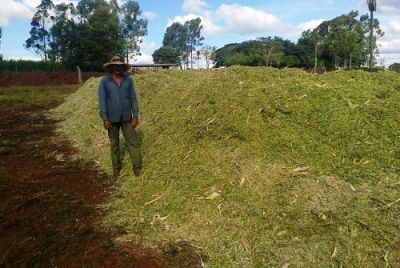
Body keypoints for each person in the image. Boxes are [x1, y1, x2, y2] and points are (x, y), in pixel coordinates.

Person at [98, 56, 142, 178]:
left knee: (133, 142)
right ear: (111, 67)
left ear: (123, 67)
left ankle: (137, 169)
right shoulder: (105, 82)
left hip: (127, 117)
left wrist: (135, 115)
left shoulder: (128, 80)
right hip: (112, 119)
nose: (118, 68)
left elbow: (133, 98)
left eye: (120, 66)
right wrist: (105, 118)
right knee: (114, 145)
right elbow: (102, 101)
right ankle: (116, 169)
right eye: (115, 66)